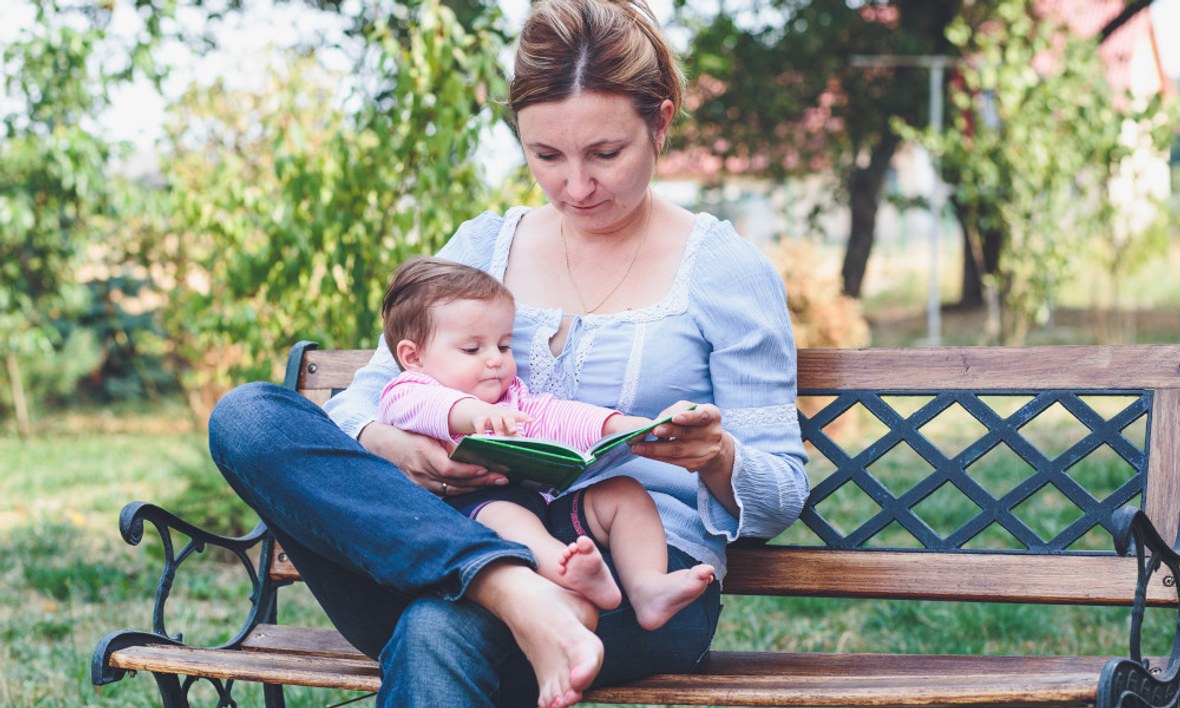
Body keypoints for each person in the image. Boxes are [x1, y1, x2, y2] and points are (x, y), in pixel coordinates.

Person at [207, 0, 809, 706]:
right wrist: (400, 449)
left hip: (628, 584)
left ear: (662, 122)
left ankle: (508, 592)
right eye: (546, 155)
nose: (575, 187)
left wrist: (716, 456)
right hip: (440, 542)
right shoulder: (483, 246)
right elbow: (363, 402)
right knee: (248, 416)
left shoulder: (724, 270)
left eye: (605, 154)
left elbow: (781, 494)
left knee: (437, 628)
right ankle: (513, 589)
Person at [377, 256, 716, 630]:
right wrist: (473, 415)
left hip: (544, 514)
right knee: (505, 514)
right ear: (414, 356)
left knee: (625, 493)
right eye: (473, 350)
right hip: (466, 525)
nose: (494, 360)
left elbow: (560, 416)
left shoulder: (511, 399)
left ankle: (648, 588)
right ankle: (568, 573)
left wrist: (628, 426)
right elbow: (425, 407)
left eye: (504, 346)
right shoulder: (406, 390)